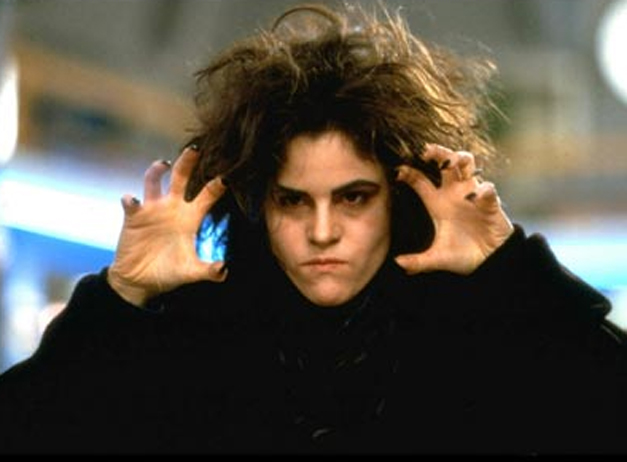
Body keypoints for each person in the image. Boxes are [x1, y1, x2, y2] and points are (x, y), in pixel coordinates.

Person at [1, 2, 626, 455]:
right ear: (257, 206)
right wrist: (119, 298)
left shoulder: (473, 339)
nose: (322, 231)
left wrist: (514, 273)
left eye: (353, 198)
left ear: (396, 201)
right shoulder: (191, 340)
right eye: (293, 202)